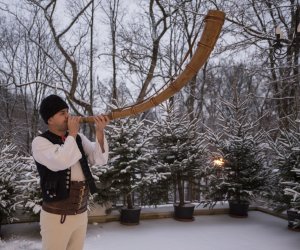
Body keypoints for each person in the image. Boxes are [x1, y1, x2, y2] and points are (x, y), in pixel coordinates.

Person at [32, 94, 109, 250]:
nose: (68, 116)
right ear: (50, 119)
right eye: (62, 113)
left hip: (80, 214)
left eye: (67, 111)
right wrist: (72, 134)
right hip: (56, 217)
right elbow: (60, 161)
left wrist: (99, 132)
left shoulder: (78, 138)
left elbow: (99, 159)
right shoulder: (40, 142)